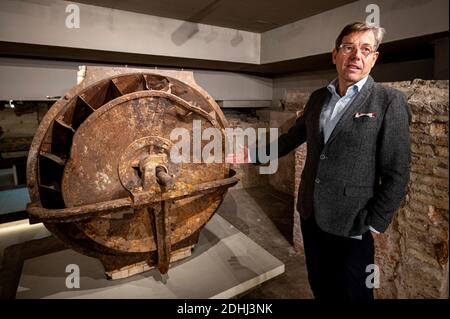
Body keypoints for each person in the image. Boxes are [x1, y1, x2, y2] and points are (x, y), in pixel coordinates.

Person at [256, 22, 411, 300]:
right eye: (348, 47)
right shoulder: (318, 98)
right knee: (321, 285)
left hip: (353, 221)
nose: (356, 56)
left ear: (374, 59)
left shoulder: (388, 101)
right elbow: (293, 138)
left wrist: (374, 224)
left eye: (365, 49)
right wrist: (253, 155)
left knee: (355, 293)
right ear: (335, 54)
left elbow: (397, 172)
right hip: (311, 213)